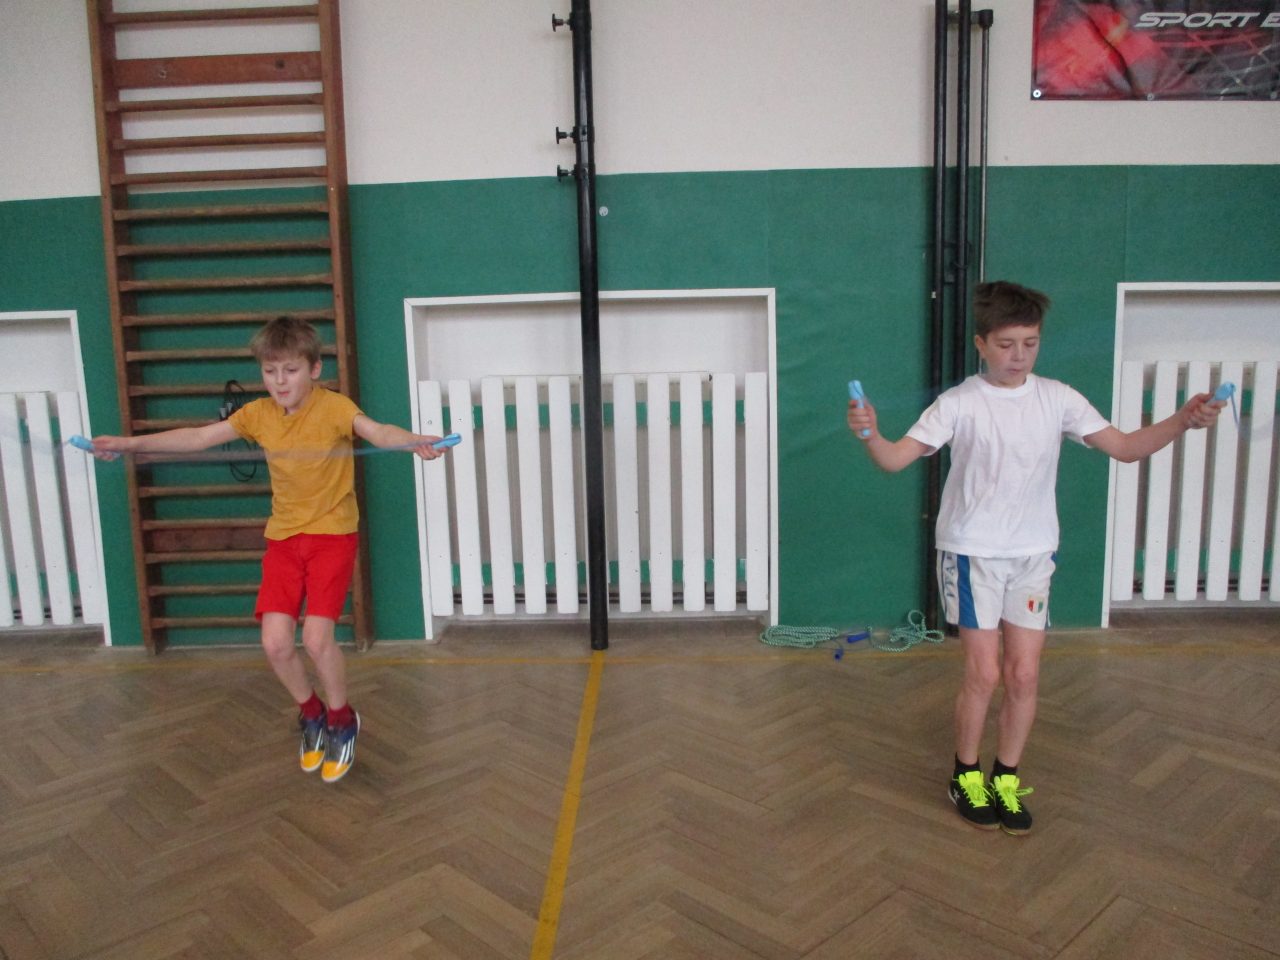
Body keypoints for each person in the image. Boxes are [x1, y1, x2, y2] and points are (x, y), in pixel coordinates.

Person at [847, 281, 1224, 835]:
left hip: (1032, 555)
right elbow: (894, 459)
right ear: (981, 344)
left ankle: (1006, 776)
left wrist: (1182, 421)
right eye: (1006, 344)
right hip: (972, 553)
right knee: (984, 673)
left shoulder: (1059, 398)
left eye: (1030, 343)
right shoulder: (959, 403)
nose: (1018, 355)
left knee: (1024, 674)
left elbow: (1125, 448)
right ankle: (965, 774)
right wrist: (871, 435)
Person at [91, 316, 446, 783]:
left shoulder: (335, 408)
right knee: (276, 644)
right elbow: (198, 437)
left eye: (291, 370)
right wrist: (128, 443)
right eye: (270, 371)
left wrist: (413, 441)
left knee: (316, 639)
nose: (280, 381)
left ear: (314, 369)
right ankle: (312, 713)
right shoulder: (258, 414)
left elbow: (377, 432)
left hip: (331, 536)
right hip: (283, 539)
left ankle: (342, 720)